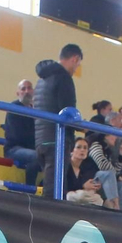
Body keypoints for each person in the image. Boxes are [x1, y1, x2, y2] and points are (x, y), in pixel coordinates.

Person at [33, 44, 82, 200]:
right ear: (74, 59)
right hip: (57, 140)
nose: (76, 70)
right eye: (77, 65)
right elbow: (68, 112)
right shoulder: (64, 78)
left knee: (51, 186)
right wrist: (81, 126)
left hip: (42, 139)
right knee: (55, 191)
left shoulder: (42, 79)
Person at [3, 78, 40, 187]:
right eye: (23, 89)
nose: (27, 91)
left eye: (29, 88)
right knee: (37, 156)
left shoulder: (37, 111)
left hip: (31, 148)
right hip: (14, 149)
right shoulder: (14, 108)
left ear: (33, 91)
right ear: (18, 93)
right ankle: (30, 190)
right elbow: (16, 135)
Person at [84, 124, 122, 212]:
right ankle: (114, 205)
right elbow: (103, 166)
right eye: (114, 135)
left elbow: (114, 172)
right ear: (106, 135)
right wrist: (116, 175)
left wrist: (121, 156)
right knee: (109, 174)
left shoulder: (108, 150)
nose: (116, 138)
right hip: (89, 179)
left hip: (104, 179)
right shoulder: (95, 145)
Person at [63, 136, 104, 206]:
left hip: (82, 195)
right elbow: (65, 188)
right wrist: (83, 186)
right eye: (79, 147)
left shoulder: (87, 166)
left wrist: (95, 186)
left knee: (98, 199)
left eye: (85, 148)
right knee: (78, 195)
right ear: (72, 151)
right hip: (68, 196)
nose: (82, 150)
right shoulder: (65, 165)